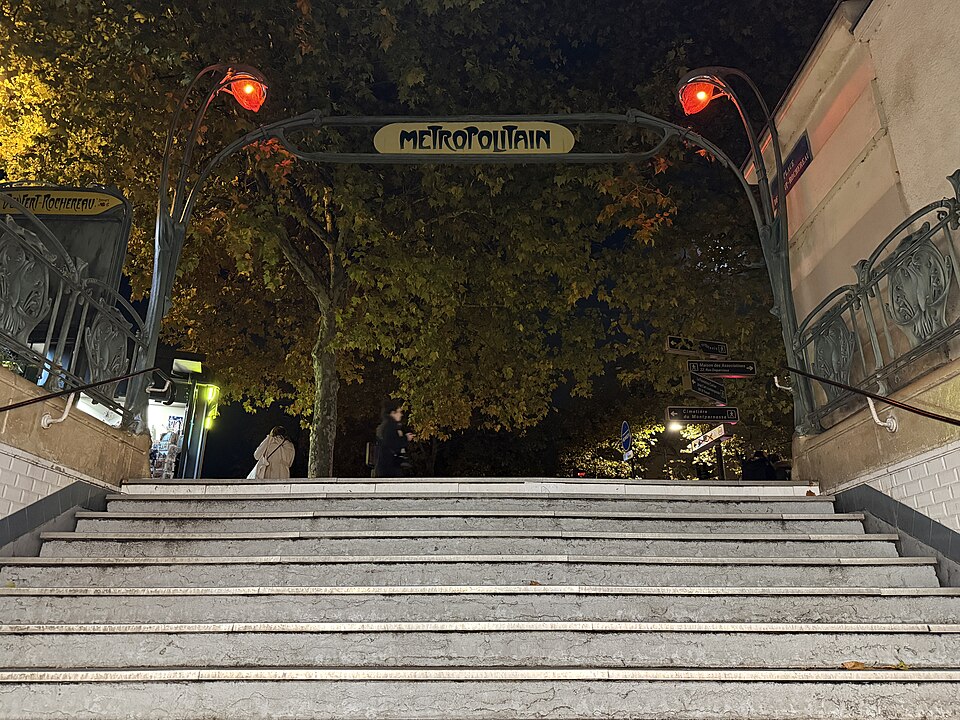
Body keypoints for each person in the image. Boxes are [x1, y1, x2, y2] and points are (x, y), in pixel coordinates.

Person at [373, 400, 414, 478]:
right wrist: (405, 438)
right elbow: (393, 444)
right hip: (389, 467)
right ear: (393, 413)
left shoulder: (386, 425)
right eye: (399, 412)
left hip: (386, 466)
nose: (401, 414)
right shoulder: (390, 426)